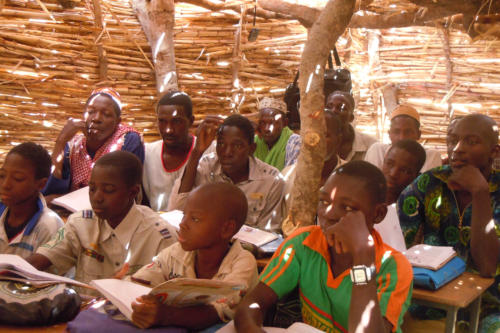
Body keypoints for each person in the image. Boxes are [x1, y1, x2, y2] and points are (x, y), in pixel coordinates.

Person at [234, 161, 413, 333]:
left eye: (348, 208)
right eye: (324, 201)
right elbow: (252, 304)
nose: (329, 214)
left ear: (378, 214)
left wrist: (362, 259)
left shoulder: (393, 267)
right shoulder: (304, 243)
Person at [398, 114, 500, 331]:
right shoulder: (430, 183)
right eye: (453, 140)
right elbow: (397, 244)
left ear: (494, 152)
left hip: (490, 305)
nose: (457, 148)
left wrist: (480, 193)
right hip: (429, 298)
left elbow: (488, 266)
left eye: (471, 142)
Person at [27, 151, 177, 292]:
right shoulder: (80, 223)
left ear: (133, 192)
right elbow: (40, 261)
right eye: (92, 189)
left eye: (109, 190)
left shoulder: (160, 237)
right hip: (85, 316)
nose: (97, 198)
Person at [130, 182, 259, 330]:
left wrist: (167, 315)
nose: (182, 224)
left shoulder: (243, 263)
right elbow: (139, 283)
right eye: (184, 215)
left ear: (226, 229)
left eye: (195, 219)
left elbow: (215, 313)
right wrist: (119, 285)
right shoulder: (176, 252)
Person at [168, 114, 285, 232]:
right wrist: (197, 152)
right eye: (221, 144)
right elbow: (176, 210)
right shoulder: (207, 167)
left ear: (251, 149)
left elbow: (268, 237)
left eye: (237, 145)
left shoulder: (271, 181)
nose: (227, 152)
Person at [43, 87, 144, 198]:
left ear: (117, 122)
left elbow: (123, 189)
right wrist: (61, 141)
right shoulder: (74, 144)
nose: (96, 118)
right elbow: (50, 190)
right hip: (74, 209)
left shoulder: (128, 139)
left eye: (106, 114)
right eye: (91, 112)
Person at [281, 111, 345, 228]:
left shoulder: (351, 179)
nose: (317, 141)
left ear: (339, 139)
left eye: (325, 135)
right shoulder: (288, 176)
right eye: (312, 134)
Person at [0, 142, 63, 258]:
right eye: (2, 175)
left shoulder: (49, 226)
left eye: (18, 179)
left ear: (41, 184)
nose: (5, 185)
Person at [142, 91, 195, 211]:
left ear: (191, 121)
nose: (168, 130)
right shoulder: (147, 154)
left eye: (176, 121)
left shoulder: (207, 153)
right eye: (162, 121)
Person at [374, 139, 426, 252]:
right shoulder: (365, 198)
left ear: (416, 175)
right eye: (389, 163)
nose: (393, 173)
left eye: (404, 170)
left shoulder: (415, 213)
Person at [365, 105, 442, 172]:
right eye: (396, 132)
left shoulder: (431, 155)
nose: (402, 138)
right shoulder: (378, 151)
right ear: (389, 134)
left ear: (418, 135)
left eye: (408, 132)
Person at [325, 91, 377, 161]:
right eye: (329, 107)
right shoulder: (313, 143)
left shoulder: (371, 146)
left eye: (341, 108)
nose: (333, 111)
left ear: (351, 118)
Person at [254, 97, 301, 170]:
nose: (267, 129)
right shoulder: (254, 142)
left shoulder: (295, 142)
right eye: (262, 123)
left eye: (273, 123)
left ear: (285, 123)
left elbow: (290, 176)